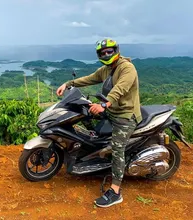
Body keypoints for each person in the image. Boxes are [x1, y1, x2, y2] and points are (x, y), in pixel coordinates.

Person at [56, 38, 141, 208]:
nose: (107, 54)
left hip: (125, 116)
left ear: (116, 50)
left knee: (118, 149)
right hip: (111, 111)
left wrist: (104, 104)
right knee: (85, 113)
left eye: (109, 51)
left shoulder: (127, 68)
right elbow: (90, 79)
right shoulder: (107, 69)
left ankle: (116, 192)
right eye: (103, 53)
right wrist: (68, 84)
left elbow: (120, 89)